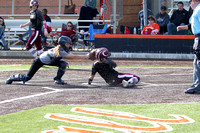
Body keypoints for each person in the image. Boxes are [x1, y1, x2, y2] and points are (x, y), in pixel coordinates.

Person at [6, 36, 86, 85]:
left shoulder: (60, 49)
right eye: (67, 44)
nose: (68, 45)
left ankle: (57, 79)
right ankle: (12, 77)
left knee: (63, 63)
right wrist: (87, 56)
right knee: (27, 77)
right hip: (38, 61)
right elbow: (74, 57)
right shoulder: (60, 50)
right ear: (63, 43)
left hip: (49, 61)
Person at [177, 0, 200, 94]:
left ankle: (197, 86)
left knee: (198, 63)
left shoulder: (198, 9)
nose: (190, 4)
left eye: (190, 2)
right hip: (198, 37)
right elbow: (194, 26)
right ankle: (196, 85)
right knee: (197, 62)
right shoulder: (197, 10)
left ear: (194, 1)